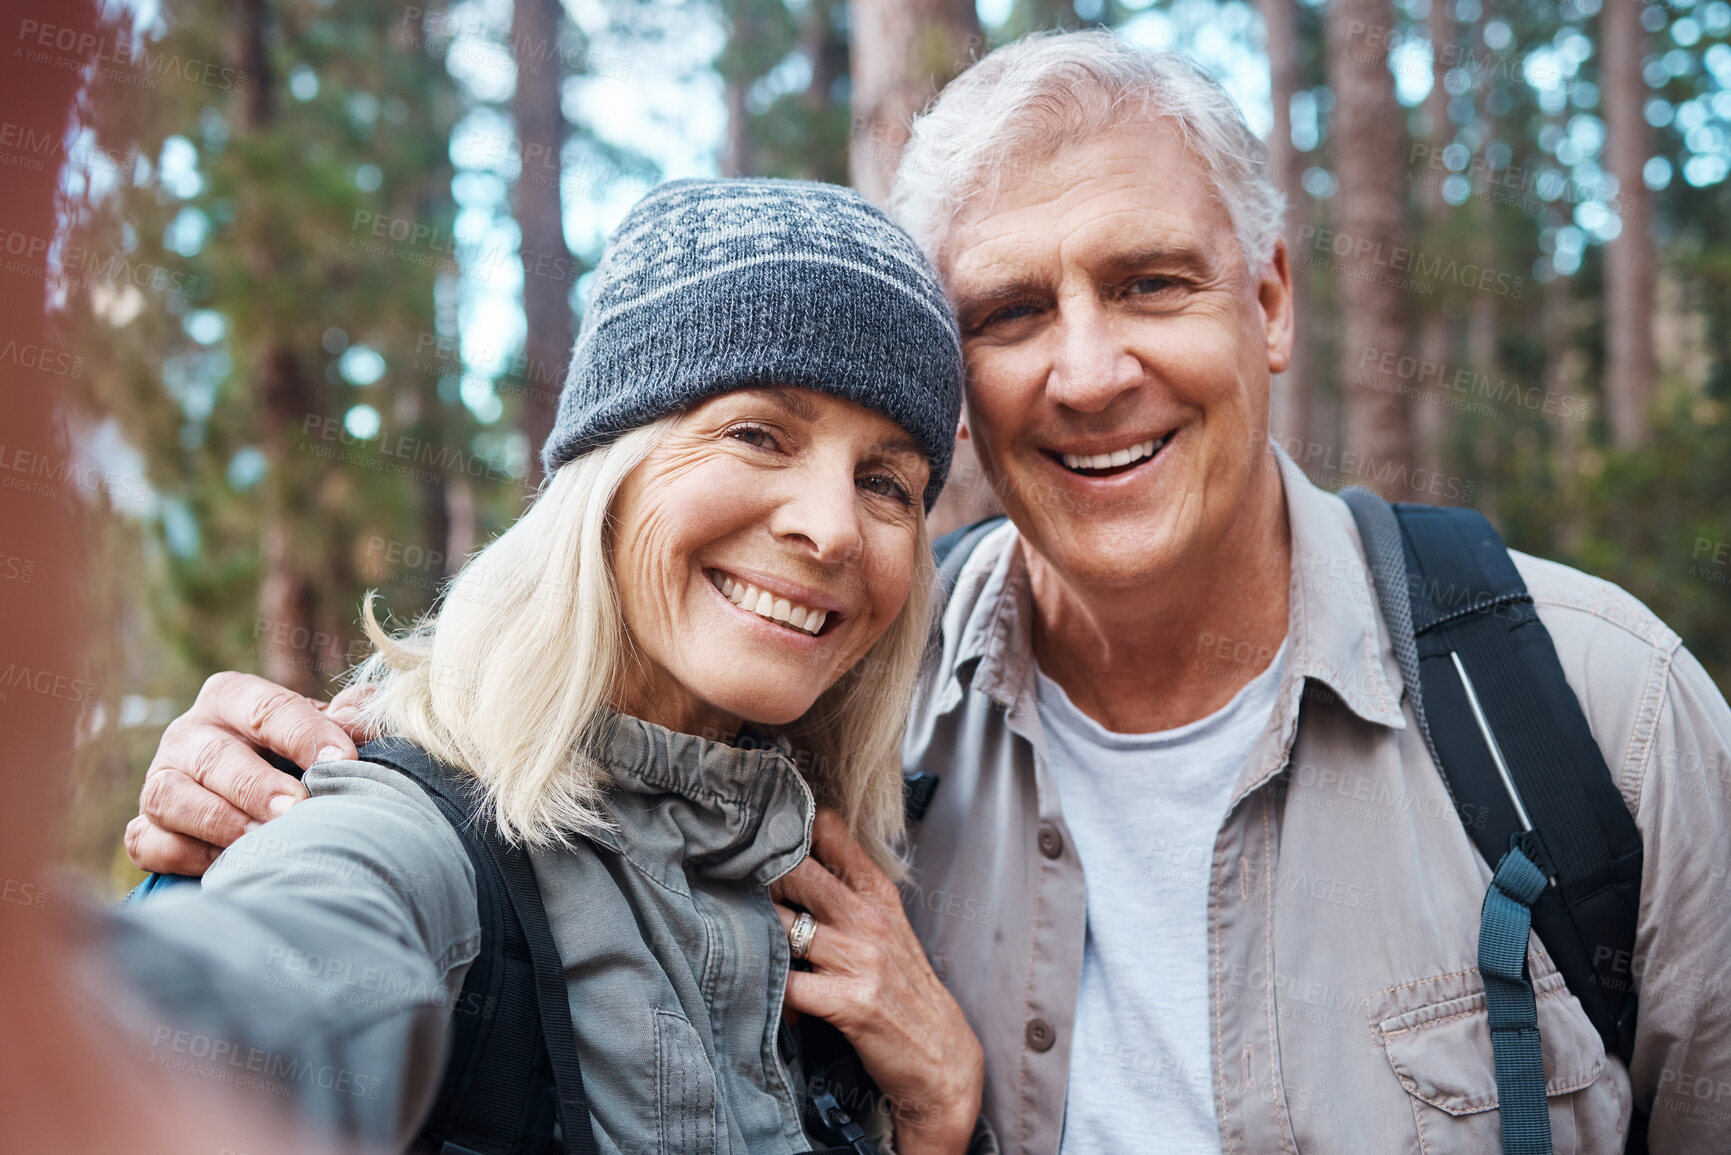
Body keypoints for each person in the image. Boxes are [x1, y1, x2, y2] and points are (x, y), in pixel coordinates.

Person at [125, 31, 1731, 1154]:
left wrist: (941, 1111)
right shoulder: (843, 728)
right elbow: (276, 989)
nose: (1089, 369)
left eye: (1150, 283)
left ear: (1269, 298)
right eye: (1013, 311)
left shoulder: (1587, 712)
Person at [111, 177, 992, 1155]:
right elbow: (238, 1011)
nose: (830, 529)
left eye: (885, 482)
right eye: (756, 433)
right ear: (609, 469)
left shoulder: (828, 875)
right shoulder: (403, 820)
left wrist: (940, 1120)